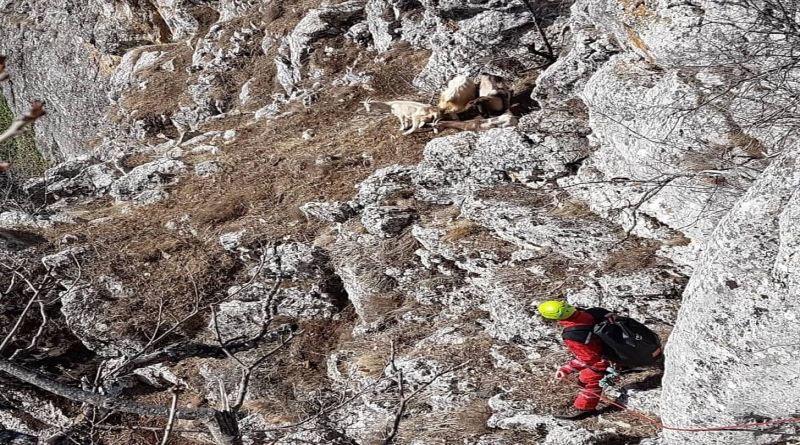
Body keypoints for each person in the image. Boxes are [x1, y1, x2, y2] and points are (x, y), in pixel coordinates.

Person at [537, 300, 609, 420]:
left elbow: (589, 358)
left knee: (588, 380)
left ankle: (585, 409)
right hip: (627, 349)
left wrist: (567, 369)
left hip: (607, 359)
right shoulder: (595, 312)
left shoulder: (573, 334)